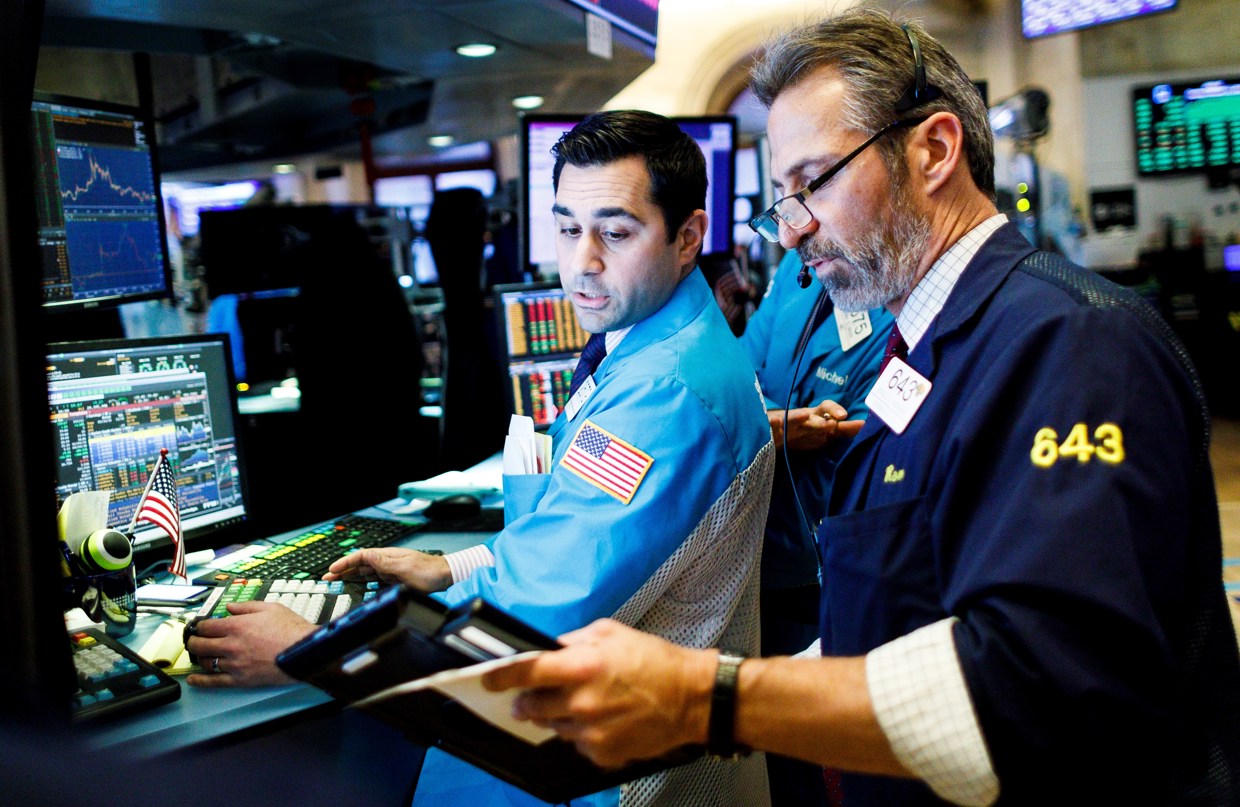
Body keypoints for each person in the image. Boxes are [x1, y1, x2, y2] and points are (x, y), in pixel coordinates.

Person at [482, 9, 1240, 806]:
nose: (795, 228)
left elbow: (1044, 681)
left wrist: (708, 696)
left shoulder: (1074, 344)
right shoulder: (924, 349)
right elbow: (896, 625)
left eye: (813, 183)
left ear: (935, 150)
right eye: (784, 198)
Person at [185, 109, 775, 807]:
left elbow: (526, 624)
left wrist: (313, 646)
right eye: (566, 227)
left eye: (615, 232)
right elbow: (573, 542)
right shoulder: (655, 343)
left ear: (689, 237)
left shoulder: (665, 394)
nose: (581, 260)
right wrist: (450, 568)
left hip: (599, 773)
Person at [739, 249, 890, 807]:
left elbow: (861, 429)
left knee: (821, 758)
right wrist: (780, 426)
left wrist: (769, 419)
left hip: (824, 562)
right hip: (759, 551)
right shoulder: (795, 275)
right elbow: (739, 379)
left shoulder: (893, 300)